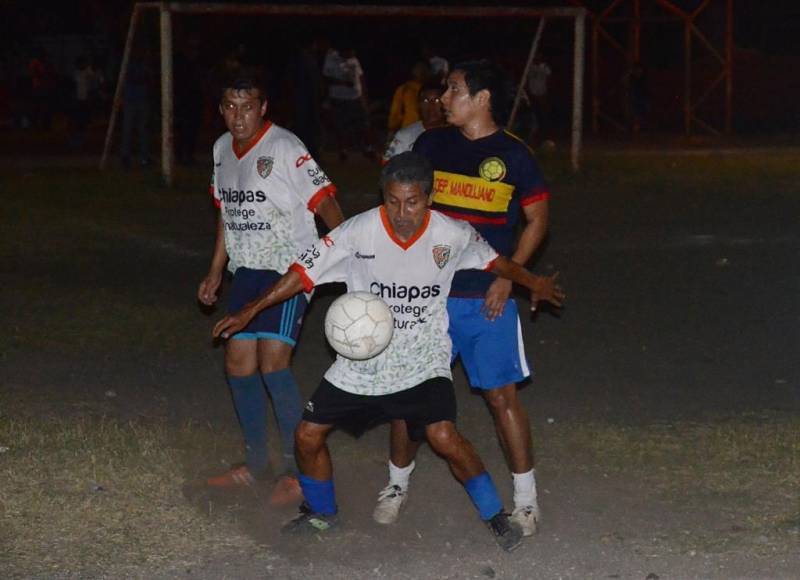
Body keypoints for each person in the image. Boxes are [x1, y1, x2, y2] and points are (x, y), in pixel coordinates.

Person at [212, 152, 564, 551]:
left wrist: (533, 281)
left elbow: (496, 263)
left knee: (443, 435)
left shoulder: (454, 233)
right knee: (307, 436)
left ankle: (496, 517)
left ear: (428, 198)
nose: (401, 212)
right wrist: (250, 310)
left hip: (421, 357)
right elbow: (301, 274)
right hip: (362, 360)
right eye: (393, 201)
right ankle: (323, 515)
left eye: (412, 201)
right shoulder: (356, 232)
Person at [374, 60, 551, 538]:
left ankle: (527, 500)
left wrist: (509, 278)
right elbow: (402, 211)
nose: (443, 99)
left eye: (453, 90)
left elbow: (537, 220)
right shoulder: (431, 145)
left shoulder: (514, 156)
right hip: (428, 299)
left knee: (500, 397)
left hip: (484, 298)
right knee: (410, 397)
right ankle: (395, 486)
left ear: (482, 98)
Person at [198, 73, 344, 505]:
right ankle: (257, 464)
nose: (237, 115)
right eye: (229, 105)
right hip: (247, 272)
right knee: (238, 363)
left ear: (263, 107)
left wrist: (354, 252)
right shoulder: (222, 149)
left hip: (289, 268)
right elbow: (227, 214)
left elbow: (325, 202)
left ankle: (298, 470)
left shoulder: (285, 147)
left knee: (272, 364)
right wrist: (214, 271)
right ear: (221, 108)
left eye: (247, 106)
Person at [322, 43, 371, 161]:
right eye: (349, 53)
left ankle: (367, 148)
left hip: (355, 97)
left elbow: (360, 77)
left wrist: (364, 97)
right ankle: (343, 150)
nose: (352, 55)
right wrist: (342, 83)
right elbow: (326, 78)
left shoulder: (354, 59)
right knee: (341, 125)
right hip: (339, 98)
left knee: (363, 124)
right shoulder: (331, 58)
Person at [381, 79, 445, 164]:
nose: (431, 106)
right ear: (418, 105)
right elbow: (388, 166)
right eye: (425, 101)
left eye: (437, 100)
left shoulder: (457, 134)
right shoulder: (404, 136)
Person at [386, 61, 430, 134]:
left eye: (423, 69)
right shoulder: (404, 89)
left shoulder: (429, 90)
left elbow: (395, 114)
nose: (421, 71)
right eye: (419, 68)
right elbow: (395, 113)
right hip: (408, 130)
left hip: (423, 130)